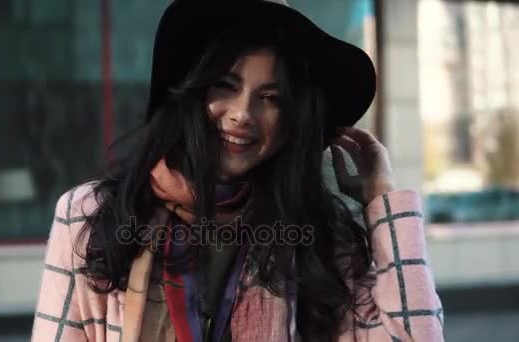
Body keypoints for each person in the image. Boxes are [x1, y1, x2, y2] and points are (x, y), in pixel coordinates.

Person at [31, 0, 444, 341]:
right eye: (224, 87)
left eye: (270, 97)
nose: (243, 114)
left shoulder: (319, 237)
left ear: (291, 124)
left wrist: (382, 198)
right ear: (190, 95)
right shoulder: (91, 216)